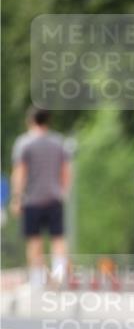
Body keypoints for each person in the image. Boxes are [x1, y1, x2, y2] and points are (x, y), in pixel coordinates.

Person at [10, 107, 71, 287]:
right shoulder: (59, 142)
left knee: (34, 240)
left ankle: (37, 280)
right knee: (58, 238)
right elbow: (66, 171)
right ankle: (60, 278)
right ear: (48, 121)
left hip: (32, 200)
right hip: (54, 197)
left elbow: (20, 172)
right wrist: (63, 192)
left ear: (30, 121)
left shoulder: (24, 143)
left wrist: (17, 197)